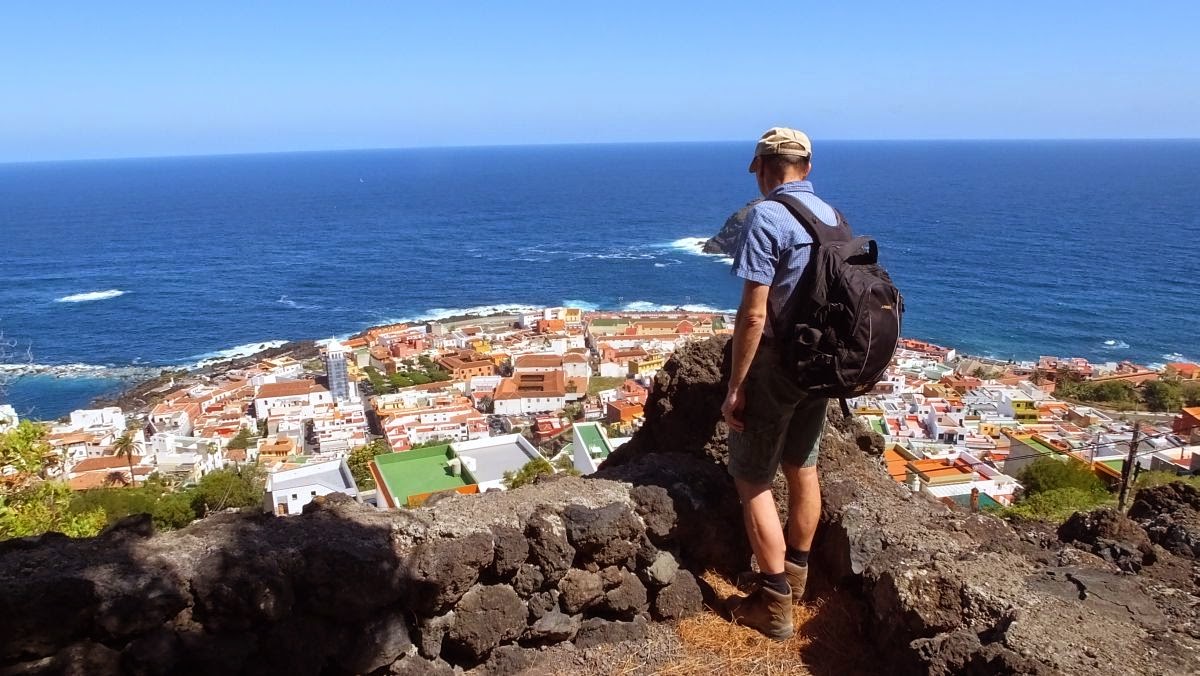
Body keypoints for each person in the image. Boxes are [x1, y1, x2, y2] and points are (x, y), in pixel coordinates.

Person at [721, 127, 841, 640]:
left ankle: (773, 604)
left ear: (764, 169)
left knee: (752, 480)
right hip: (821, 367)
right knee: (803, 468)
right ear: (807, 168)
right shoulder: (833, 218)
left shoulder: (766, 216)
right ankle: (797, 574)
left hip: (778, 366)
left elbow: (753, 314)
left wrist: (735, 384)